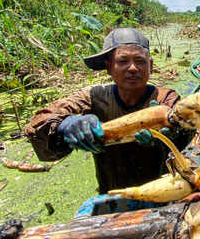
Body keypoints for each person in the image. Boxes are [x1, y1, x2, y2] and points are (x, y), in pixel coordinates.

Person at [25, 28, 191, 194]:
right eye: (123, 61)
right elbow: (38, 122)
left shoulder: (164, 99)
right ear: (108, 67)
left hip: (164, 190)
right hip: (113, 193)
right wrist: (65, 124)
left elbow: (188, 130)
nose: (133, 68)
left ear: (151, 66)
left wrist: (171, 135)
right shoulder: (94, 97)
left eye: (140, 61)